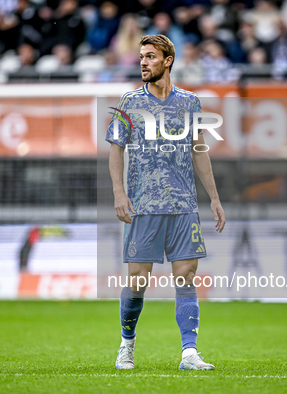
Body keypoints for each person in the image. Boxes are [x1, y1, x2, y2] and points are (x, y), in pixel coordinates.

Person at [106, 34, 225, 371]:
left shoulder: (189, 103)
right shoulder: (129, 101)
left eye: (150, 57)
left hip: (184, 204)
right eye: (141, 57)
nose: (143, 62)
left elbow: (198, 151)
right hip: (144, 205)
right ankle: (126, 344)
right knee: (137, 280)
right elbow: (116, 149)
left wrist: (214, 198)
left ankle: (189, 353)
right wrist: (119, 192)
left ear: (167, 60)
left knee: (186, 275)